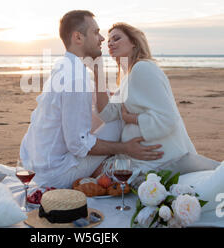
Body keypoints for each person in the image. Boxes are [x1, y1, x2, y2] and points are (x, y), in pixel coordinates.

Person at [19, 11, 164, 189]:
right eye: (96, 32)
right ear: (78, 37)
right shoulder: (76, 77)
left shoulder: (64, 66)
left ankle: (107, 164)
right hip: (55, 174)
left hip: (37, 163)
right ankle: (132, 157)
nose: (102, 38)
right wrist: (125, 148)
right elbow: (78, 145)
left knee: (105, 111)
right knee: (117, 117)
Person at [94, 22, 197, 173]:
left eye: (116, 38)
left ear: (134, 43)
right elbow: (107, 114)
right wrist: (98, 75)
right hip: (138, 158)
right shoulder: (127, 77)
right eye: (109, 41)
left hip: (159, 160)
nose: (110, 43)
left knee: (91, 173)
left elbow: (167, 119)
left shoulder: (143, 68)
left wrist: (131, 119)